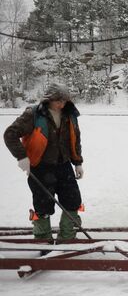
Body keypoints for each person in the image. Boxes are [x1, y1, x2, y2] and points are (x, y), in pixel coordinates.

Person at [4, 83, 84, 241]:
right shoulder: (34, 114)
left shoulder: (69, 114)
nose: (62, 104)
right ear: (49, 99)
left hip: (64, 166)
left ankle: (67, 239)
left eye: (64, 100)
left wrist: (78, 162)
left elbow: (74, 140)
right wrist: (22, 157)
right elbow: (10, 134)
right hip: (41, 167)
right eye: (58, 101)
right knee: (43, 206)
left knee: (73, 201)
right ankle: (43, 241)